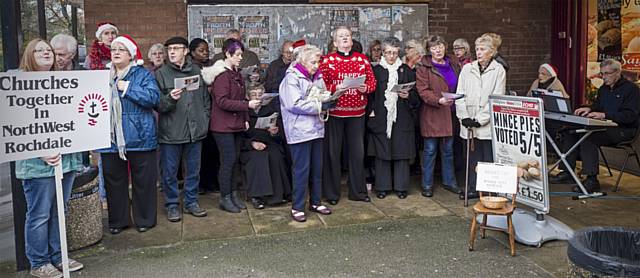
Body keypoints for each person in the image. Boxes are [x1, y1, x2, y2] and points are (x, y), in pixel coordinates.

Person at [16, 38, 84, 278]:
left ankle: (59, 255)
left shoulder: (63, 82)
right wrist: (39, 149)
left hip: (66, 160)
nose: (46, 53)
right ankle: (38, 262)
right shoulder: (17, 84)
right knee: (39, 214)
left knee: (60, 211)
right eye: (40, 50)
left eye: (49, 50)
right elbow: (14, 125)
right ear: (29, 55)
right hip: (37, 165)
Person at [98, 35, 160, 234]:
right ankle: (118, 221)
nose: (115, 52)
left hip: (140, 136)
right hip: (111, 139)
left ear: (131, 54)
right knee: (114, 182)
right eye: (113, 49)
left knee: (144, 182)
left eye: (121, 49)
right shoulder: (102, 75)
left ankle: (145, 219)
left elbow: (153, 98)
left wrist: (128, 88)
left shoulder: (143, 74)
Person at [549, 59, 640, 193]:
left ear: (618, 72)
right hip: (604, 126)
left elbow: (630, 116)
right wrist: (589, 109)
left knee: (588, 137)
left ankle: (592, 180)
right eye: (602, 74)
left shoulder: (632, 90)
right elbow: (598, 106)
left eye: (607, 74)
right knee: (570, 132)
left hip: (624, 130)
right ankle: (568, 172)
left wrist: (604, 115)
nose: (603, 77)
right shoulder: (603, 89)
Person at [202, 38, 262, 213]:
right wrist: (247, 106)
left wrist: (244, 117)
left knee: (234, 161)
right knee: (227, 161)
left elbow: (240, 97)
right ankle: (225, 197)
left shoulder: (236, 73)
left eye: (241, 54)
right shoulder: (221, 75)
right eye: (237, 55)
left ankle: (233, 194)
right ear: (227, 54)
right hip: (222, 126)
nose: (240, 58)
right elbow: (222, 102)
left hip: (236, 124)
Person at [155, 36, 210, 222]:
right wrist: (170, 98)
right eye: (169, 48)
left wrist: (205, 119)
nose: (172, 52)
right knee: (170, 172)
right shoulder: (161, 73)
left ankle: (191, 202)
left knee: (194, 170)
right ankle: (171, 205)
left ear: (186, 51)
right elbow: (158, 105)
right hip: (171, 132)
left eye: (176, 48)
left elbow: (205, 100)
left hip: (195, 130)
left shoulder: (196, 70)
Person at [319, 26, 377, 204]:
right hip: (335, 113)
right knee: (332, 154)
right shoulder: (327, 61)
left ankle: (358, 192)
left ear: (352, 40)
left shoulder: (362, 59)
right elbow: (320, 86)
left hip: (357, 114)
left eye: (348, 36)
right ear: (335, 42)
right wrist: (337, 88)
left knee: (357, 154)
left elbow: (372, 82)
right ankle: (332, 194)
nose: (345, 38)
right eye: (341, 36)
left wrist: (364, 88)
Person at [279, 43, 332, 222]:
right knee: (301, 170)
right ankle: (298, 206)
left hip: (316, 128)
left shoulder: (316, 76)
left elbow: (322, 94)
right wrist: (320, 105)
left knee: (317, 168)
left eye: (318, 62)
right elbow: (294, 104)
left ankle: (316, 201)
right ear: (301, 61)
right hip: (299, 130)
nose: (317, 65)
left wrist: (330, 100)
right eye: (313, 62)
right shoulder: (291, 78)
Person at [455, 34, 506, 200]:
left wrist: (479, 119)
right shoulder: (467, 69)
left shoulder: (498, 70)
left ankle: (488, 190)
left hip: (486, 123)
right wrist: (464, 117)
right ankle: (472, 187)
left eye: (483, 49)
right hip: (468, 120)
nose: (478, 52)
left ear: (491, 52)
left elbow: (496, 97)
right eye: (477, 49)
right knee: (471, 157)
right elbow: (459, 95)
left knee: (487, 157)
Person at [367, 37, 419, 199]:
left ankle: (401, 187)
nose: (391, 56)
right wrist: (371, 111)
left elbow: (416, 97)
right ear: (382, 52)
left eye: (395, 53)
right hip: (381, 115)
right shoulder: (375, 70)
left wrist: (408, 95)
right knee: (382, 151)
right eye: (388, 52)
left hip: (402, 115)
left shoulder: (406, 70)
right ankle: (382, 187)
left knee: (401, 151)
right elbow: (369, 95)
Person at [416, 35, 462, 198]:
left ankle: (449, 181)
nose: (438, 50)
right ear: (429, 50)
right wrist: (438, 100)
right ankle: (427, 184)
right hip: (433, 113)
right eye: (434, 47)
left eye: (440, 46)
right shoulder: (424, 66)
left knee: (449, 150)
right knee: (430, 150)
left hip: (451, 113)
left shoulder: (454, 63)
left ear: (445, 47)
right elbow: (423, 90)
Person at [241, 83, 291, 209]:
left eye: (260, 95)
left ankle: (278, 195)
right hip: (249, 146)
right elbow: (237, 137)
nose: (257, 98)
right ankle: (258, 197)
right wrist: (252, 144)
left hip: (268, 142)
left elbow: (280, 135)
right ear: (247, 97)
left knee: (276, 155)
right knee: (258, 158)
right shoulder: (243, 112)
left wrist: (274, 132)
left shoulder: (270, 110)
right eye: (254, 95)